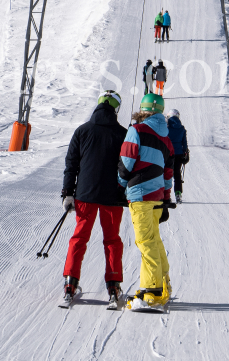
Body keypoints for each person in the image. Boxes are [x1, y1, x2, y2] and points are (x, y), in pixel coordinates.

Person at [60, 90, 128, 308]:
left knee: (79, 237)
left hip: (85, 195)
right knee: (112, 240)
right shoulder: (123, 133)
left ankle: (70, 284)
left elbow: (72, 164)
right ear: (115, 109)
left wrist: (68, 193)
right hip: (112, 197)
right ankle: (113, 287)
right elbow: (127, 166)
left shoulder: (82, 131)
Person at [118, 93, 174, 310]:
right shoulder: (166, 138)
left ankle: (151, 291)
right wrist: (166, 198)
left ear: (142, 109)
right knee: (155, 240)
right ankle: (162, 283)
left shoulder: (137, 131)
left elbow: (126, 161)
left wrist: (120, 185)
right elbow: (169, 172)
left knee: (145, 242)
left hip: (140, 194)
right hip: (157, 196)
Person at [166, 109, 190, 204]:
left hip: (168, 154)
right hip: (179, 154)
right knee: (177, 174)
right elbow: (184, 143)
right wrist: (186, 153)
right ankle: (178, 193)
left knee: (166, 173)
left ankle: (165, 194)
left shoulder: (166, 128)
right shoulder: (182, 129)